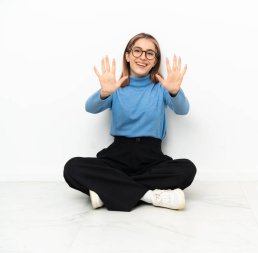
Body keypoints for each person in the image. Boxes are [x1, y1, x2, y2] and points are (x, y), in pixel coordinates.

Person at [63, 33, 196, 212]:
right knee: (72, 167)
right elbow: (90, 107)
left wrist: (174, 92)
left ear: (155, 60)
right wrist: (105, 92)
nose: (143, 57)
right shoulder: (116, 87)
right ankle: (149, 196)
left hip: (152, 159)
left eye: (150, 53)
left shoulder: (161, 88)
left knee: (187, 169)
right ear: (127, 55)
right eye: (137, 51)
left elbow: (183, 110)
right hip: (117, 158)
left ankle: (108, 192)